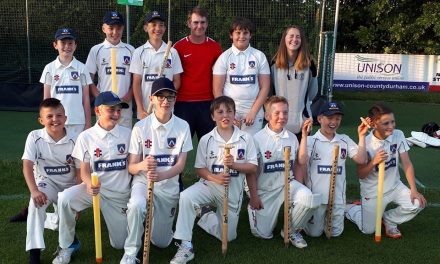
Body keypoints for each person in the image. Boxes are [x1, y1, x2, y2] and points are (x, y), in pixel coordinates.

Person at [170, 96, 258, 264]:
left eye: (229, 111)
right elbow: (199, 169)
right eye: (220, 112)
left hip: (232, 191)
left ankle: (204, 215)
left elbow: (253, 168)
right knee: (186, 196)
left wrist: (235, 166)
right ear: (213, 116)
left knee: (229, 236)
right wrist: (215, 178)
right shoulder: (206, 139)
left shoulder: (246, 139)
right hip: (210, 185)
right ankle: (186, 246)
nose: (225, 115)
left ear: (234, 115)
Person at [52, 91, 132, 264]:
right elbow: (84, 170)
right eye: (111, 110)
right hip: (94, 191)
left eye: (119, 110)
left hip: (119, 196)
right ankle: (67, 245)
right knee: (65, 198)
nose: (116, 114)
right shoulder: (86, 136)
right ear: (97, 111)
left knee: (119, 244)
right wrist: (88, 183)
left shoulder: (128, 134)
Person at [120, 78, 192, 264]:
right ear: (151, 98)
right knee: (136, 205)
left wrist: (161, 175)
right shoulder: (140, 127)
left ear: (175, 99)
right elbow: (132, 167)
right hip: (144, 182)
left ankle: (152, 223)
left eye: (170, 97)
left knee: (161, 242)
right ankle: (130, 253)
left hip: (168, 184)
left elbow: (180, 166)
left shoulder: (182, 126)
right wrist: (143, 166)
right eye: (161, 97)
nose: (165, 101)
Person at [247, 96, 320, 249]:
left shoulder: (292, 137)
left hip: (287, 184)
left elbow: (299, 164)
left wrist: (299, 193)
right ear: (267, 116)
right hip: (265, 189)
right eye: (277, 113)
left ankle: (290, 230)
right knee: (262, 234)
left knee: (309, 199)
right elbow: (251, 172)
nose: (282, 117)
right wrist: (254, 196)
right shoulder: (256, 139)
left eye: (285, 113)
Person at [345, 103, 426, 238]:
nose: (391, 126)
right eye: (386, 123)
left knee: (417, 203)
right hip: (373, 191)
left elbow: (407, 163)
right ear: (375, 124)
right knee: (368, 230)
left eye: (392, 122)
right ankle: (351, 209)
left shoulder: (398, 134)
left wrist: (413, 189)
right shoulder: (366, 142)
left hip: (394, 186)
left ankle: (389, 220)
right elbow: (361, 174)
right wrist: (373, 162)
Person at [23, 98, 80, 264]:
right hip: (47, 183)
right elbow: (27, 165)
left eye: (59, 115)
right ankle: (34, 254)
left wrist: (76, 196)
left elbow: (79, 170)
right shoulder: (34, 137)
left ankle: (70, 244)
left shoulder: (76, 138)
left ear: (65, 118)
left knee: (64, 220)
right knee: (35, 204)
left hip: (69, 186)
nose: (55, 119)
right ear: (41, 120)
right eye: (49, 116)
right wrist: (34, 190)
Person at [304, 101, 368, 238]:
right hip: (317, 197)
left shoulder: (344, 140)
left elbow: (361, 159)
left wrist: (362, 136)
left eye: (337, 118)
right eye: (330, 118)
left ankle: (350, 209)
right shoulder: (310, 141)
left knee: (335, 233)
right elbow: (301, 161)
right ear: (320, 119)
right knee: (314, 234)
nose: (334, 122)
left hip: (337, 197)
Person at [213, 17, 270, 136]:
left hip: (253, 110)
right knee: (230, 148)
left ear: (250, 35)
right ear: (231, 35)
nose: (242, 36)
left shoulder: (259, 56)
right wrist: (227, 114)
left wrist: (253, 112)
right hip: (230, 110)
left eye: (245, 33)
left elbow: (265, 88)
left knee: (251, 148)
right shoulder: (224, 57)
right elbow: (217, 90)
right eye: (238, 33)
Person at [173, 6, 222, 140]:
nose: (199, 26)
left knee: (209, 146)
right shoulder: (178, 47)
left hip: (207, 104)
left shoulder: (215, 47)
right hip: (183, 104)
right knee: (179, 146)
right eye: (195, 22)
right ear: (189, 23)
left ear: (207, 24)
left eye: (202, 22)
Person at [40, 28, 92, 140]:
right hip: (56, 121)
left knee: (79, 155)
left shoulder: (82, 68)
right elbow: (46, 99)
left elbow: (86, 98)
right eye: (63, 43)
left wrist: (88, 123)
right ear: (55, 45)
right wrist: (46, 120)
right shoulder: (49, 68)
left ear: (75, 45)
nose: (67, 46)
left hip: (78, 121)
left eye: (70, 43)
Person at [130, 11, 183, 120]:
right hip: (146, 111)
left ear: (164, 28)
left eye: (161, 25)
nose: (158, 28)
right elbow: (136, 84)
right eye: (153, 25)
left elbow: (177, 81)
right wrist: (140, 108)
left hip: (166, 110)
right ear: (145, 28)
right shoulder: (139, 52)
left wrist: (165, 94)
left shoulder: (172, 52)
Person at [86, 11, 134, 128]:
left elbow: (136, 79)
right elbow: (88, 78)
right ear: (103, 28)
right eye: (111, 28)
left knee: (124, 140)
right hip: (104, 106)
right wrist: (99, 96)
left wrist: (129, 95)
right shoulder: (96, 50)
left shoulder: (130, 50)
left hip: (124, 105)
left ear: (123, 29)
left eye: (118, 28)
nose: (115, 32)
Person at [271, 25, 318, 142]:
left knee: (301, 160)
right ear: (284, 39)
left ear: (302, 41)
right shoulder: (273, 64)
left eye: (298, 37)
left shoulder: (309, 64)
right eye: (291, 36)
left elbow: (312, 93)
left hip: (302, 122)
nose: (294, 39)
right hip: (278, 122)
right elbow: (270, 92)